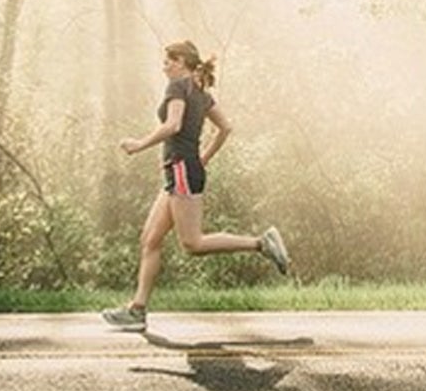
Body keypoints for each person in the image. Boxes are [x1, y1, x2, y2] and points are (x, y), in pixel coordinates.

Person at [102, 40, 289, 330]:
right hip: (181, 170)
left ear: (181, 62)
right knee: (150, 239)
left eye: (168, 60)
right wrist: (202, 159)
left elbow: (173, 125)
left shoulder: (179, 86)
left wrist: (139, 145)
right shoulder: (200, 91)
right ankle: (137, 310)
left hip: (180, 170)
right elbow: (225, 127)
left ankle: (261, 244)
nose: (164, 65)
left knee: (192, 243)